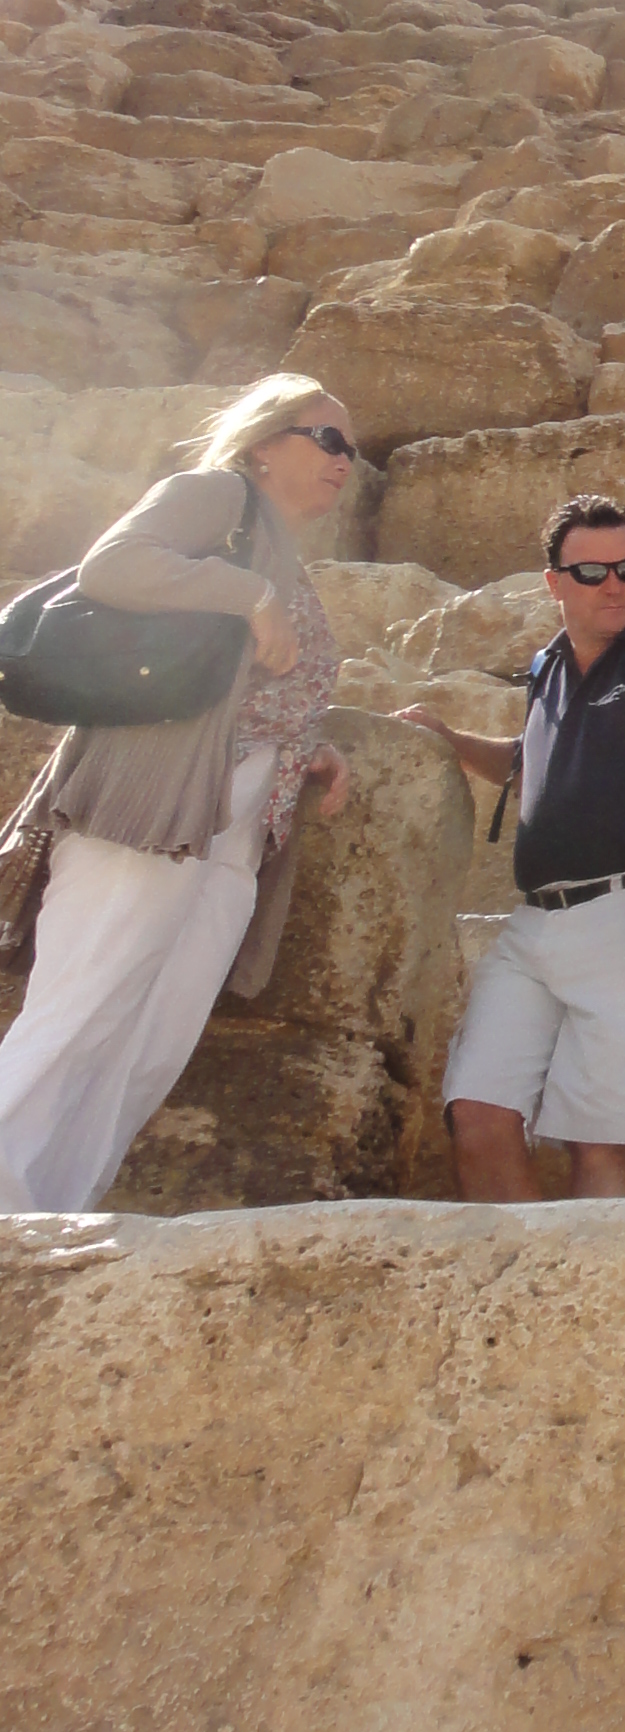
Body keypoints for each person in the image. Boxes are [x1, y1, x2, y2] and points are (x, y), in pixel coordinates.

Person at [0, 374, 355, 1214]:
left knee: (150, 1041)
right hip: (158, 804)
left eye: (354, 449)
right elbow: (114, 564)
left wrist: (308, 743)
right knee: (82, 1007)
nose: (348, 461)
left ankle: (50, 1213)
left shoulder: (280, 546)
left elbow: (244, 686)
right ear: (264, 443)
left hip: (233, 830)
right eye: (329, 440)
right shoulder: (217, 495)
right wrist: (251, 595)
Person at [397, 495, 625, 1199]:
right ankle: (526, 1272)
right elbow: (531, 762)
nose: (614, 584)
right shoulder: (549, 666)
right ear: (553, 582)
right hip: (535, 926)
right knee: (478, 1116)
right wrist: (451, 740)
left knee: (605, 1144)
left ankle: (607, 1279)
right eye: (592, 572)